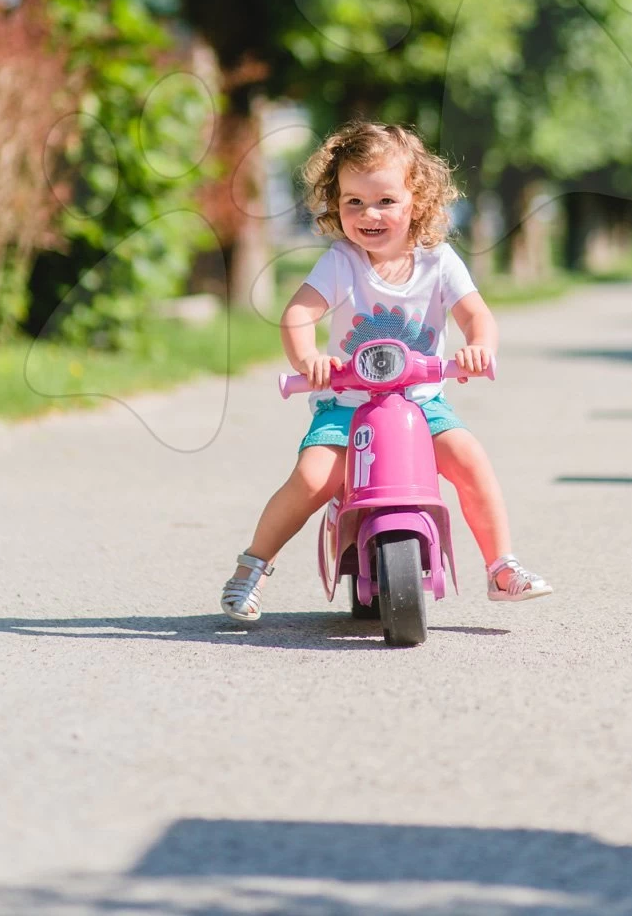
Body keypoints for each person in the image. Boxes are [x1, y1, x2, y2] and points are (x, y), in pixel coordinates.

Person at [220, 120, 553, 623]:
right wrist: (307, 359)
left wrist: (478, 347)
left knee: (469, 461)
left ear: (416, 201)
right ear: (336, 204)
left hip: (422, 405)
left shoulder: (439, 262)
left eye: (385, 201)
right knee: (313, 479)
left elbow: (475, 315)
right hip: (347, 407)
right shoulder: (342, 262)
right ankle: (253, 566)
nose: (368, 214)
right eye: (353, 201)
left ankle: (501, 566)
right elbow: (299, 314)